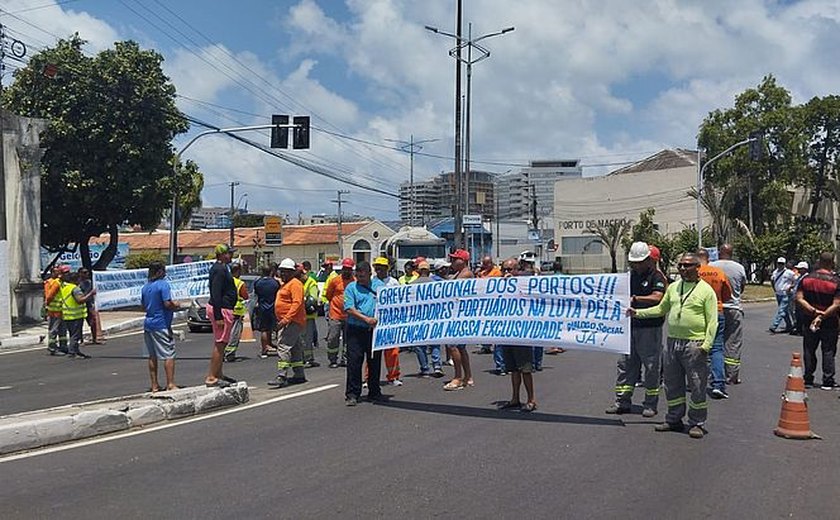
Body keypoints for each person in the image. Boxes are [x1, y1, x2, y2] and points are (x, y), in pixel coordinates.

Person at [629, 252, 718, 439]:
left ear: (697, 267)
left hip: (695, 344)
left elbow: (712, 321)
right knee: (672, 384)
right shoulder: (674, 288)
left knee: (697, 384)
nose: (683, 269)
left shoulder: (706, 290)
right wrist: (637, 313)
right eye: (680, 266)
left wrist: (706, 345)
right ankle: (674, 418)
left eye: (688, 265)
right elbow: (661, 309)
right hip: (672, 343)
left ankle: (697, 423)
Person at [606, 242, 667, 417]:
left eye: (640, 262)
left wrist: (635, 299)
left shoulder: (657, 276)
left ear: (648, 260)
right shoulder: (629, 276)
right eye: (634, 262)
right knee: (625, 366)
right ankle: (622, 401)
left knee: (651, 366)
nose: (637, 265)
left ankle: (650, 404)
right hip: (629, 327)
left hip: (649, 328)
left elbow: (658, 297)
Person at [795, 252, 840, 390]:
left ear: (819, 262)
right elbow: (837, 304)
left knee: (809, 349)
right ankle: (827, 380)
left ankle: (808, 378)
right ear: (832, 263)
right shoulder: (835, 282)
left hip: (809, 319)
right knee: (828, 350)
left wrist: (813, 312)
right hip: (830, 321)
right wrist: (823, 315)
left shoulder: (807, 279)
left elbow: (799, 298)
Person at [498, 257, 537, 411]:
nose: (506, 273)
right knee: (513, 369)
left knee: (525, 369)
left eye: (510, 270)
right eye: (504, 270)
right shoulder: (497, 286)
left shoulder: (525, 284)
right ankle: (515, 398)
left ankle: (531, 399)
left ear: (517, 270)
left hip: (521, 332)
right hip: (507, 333)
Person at [344, 261, 385, 406]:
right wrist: (366, 319)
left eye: (363, 276)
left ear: (370, 274)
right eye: (358, 276)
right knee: (354, 362)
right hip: (356, 330)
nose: (360, 279)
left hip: (374, 331)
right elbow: (349, 308)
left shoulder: (379, 286)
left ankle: (374, 392)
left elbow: (388, 303)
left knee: (374, 362)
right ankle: (352, 394)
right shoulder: (351, 288)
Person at [697, 248, 732, 399]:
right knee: (717, 348)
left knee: (696, 346)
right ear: (708, 258)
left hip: (698, 313)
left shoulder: (694, 273)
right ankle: (718, 384)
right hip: (717, 311)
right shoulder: (718, 273)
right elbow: (727, 295)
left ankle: (696, 381)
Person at [710, 244, 748, 385]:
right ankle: (731, 375)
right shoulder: (739, 268)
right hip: (733, 307)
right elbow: (742, 286)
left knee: (714, 343)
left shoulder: (712, 266)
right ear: (732, 253)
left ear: (720, 252)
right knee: (733, 343)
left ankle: (713, 374)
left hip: (715, 307)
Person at [141, 261, 181, 392]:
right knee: (169, 353)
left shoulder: (145, 287)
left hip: (148, 323)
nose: (165, 273)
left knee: (152, 355)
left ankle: (154, 385)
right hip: (161, 323)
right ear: (159, 272)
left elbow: (143, 305)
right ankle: (170, 383)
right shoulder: (163, 285)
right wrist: (176, 305)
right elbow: (167, 304)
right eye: (164, 271)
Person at [268, 258, 308, 388]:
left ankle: (281, 375)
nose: (283, 274)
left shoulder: (295, 284)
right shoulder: (287, 284)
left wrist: (285, 320)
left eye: (286, 272)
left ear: (292, 272)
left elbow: (297, 304)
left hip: (292, 321)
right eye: (282, 272)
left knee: (283, 346)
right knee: (295, 348)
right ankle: (299, 374)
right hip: (289, 321)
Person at [205, 244, 238, 388]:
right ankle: (212, 376)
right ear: (222, 254)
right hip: (222, 310)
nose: (231, 256)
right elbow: (216, 292)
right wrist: (218, 315)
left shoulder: (223, 268)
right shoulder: (219, 270)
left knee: (223, 343)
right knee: (220, 343)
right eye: (229, 253)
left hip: (225, 308)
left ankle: (219, 373)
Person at [443, 249, 474, 391]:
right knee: (460, 347)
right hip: (455, 314)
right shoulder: (457, 274)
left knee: (453, 346)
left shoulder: (466, 273)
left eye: (456, 259)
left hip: (460, 315)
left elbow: (452, 288)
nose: (453, 261)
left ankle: (458, 377)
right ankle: (467, 376)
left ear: (464, 260)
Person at [410, 260, 444, 377]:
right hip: (433, 316)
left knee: (420, 345)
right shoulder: (436, 284)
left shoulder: (412, 285)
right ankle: (437, 366)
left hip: (418, 318)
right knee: (435, 343)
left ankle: (425, 368)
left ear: (418, 271)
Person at [374, 256, 402, 386]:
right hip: (375, 321)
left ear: (387, 269)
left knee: (392, 351)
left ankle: (393, 376)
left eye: (381, 268)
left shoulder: (394, 283)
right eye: (376, 268)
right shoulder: (371, 282)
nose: (378, 271)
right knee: (373, 352)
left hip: (390, 321)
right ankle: (369, 378)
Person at [325, 258, 355, 368]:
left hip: (350, 315)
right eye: (345, 269)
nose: (346, 271)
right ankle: (333, 359)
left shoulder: (355, 282)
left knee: (349, 339)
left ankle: (345, 358)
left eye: (349, 269)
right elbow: (329, 295)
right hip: (335, 314)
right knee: (333, 337)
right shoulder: (335, 281)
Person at [60, 271, 96, 359]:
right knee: (75, 335)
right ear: (75, 280)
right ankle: (73, 352)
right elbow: (80, 300)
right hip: (75, 315)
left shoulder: (65, 287)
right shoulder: (75, 289)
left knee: (74, 334)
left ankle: (76, 350)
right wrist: (91, 294)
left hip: (67, 314)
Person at [519, 251, 545, 370]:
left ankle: (536, 363)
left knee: (536, 339)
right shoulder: (519, 275)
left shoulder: (537, 275)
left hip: (536, 309)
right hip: (526, 310)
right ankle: (534, 363)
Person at [224, 262, 250, 363]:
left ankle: (222, 352)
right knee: (234, 334)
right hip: (236, 311)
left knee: (225, 333)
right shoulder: (239, 283)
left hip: (225, 310)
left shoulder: (225, 281)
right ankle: (229, 354)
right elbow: (245, 296)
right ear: (238, 271)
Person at [253, 264, 280, 358]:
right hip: (273, 307)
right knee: (275, 327)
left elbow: (256, 293)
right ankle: (277, 347)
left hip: (262, 307)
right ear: (271, 272)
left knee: (264, 329)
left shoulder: (258, 282)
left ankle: (264, 349)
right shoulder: (275, 283)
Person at [477, 255, 501, 356]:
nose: (485, 266)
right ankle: (485, 345)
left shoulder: (496, 271)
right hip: (484, 302)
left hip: (495, 302)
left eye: (487, 263)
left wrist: (481, 277)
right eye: (484, 264)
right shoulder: (482, 273)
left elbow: (491, 281)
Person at [44, 265, 68, 355]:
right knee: (54, 330)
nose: (59, 273)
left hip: (61, 310)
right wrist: (47, 305)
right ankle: (52, 348)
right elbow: (49, 296)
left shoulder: (61, 282)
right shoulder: (53, 283)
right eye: (57, 271)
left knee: (63, 330)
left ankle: (63, 346)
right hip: (54, 311)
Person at [302, 263, 321, 368]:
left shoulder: (311, 282)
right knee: (300, 338)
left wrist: (303, 300)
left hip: (308, 315)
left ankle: (308, 359)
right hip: (299, 315)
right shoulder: (296, 282)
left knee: (307, 338)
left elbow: (312, 300)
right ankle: (302, 358)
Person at [769, 257, 795, 333]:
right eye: (779, 264)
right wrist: (775, 289)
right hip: (778, 294)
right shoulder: (775, 272)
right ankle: (789, 325)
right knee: (784, 311)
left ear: (784, 264)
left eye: (782, 264)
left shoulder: (789, 272)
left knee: (781, 310)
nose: (780, 265)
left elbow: (796, 280)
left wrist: (790, 287)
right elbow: (772, 281)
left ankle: (774, 326)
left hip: (785, 294)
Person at [77, 268, 102, 344]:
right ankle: (80, 340)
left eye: (87, 272)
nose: (86, 274)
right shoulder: (77, 283)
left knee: (93, 321)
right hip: (80, 305)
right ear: (80, 273)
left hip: (89, 304)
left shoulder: (90, 282)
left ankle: (95, 339)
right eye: (84, 272)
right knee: (79, 323)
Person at [789, 261, 810, 336]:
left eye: (800, 269)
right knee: (797, 314)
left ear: (804, 269)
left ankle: (801, 329)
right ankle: (798, 328)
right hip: (796, 298)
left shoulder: (806, 278)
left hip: (802, 299)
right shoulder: (800, 277)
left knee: (801, 315)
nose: (799, 270)